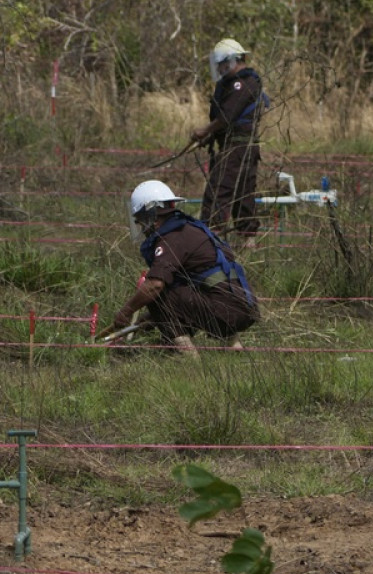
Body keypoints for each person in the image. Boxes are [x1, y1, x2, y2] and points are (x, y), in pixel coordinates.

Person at [102, 180, 259, 357]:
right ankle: (234, 348)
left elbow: (155, 285)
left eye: (141, 221)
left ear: (151, 215)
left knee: (156, 294)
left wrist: (126, 312)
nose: (142, 228)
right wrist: (155, 318)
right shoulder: (190, 229)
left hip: (225, 310)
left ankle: (189, 358)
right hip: (244, 307)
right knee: (170, 297)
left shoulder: (171, 238)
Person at [191, 38, 268, 240]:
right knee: (242, 193)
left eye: (221, 64)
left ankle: (212, 240)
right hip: (234, 145)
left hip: (238, 147)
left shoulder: (244, 83)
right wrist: (211, 136)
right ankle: (245, 239)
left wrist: (205, 130)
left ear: (231, 60)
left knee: (218, 192)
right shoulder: (232, 83)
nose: (219, 68)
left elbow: (227, 116)